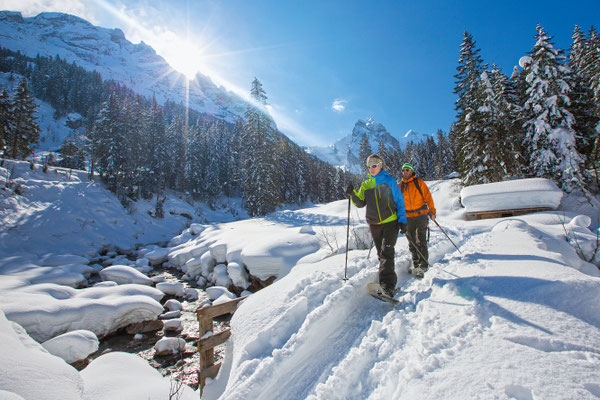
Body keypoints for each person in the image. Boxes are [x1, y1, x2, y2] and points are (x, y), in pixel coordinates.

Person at [346, 154, 407, 297]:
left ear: (380, 165)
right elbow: (360, 203)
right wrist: (352, 193)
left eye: (374, 165)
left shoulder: (390, 181)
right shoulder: (366, 185)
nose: (371, 169)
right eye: (369, 166)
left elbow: (400, 201)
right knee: (381, 254)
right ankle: (388, 281)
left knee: (387, 252)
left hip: (391, 222)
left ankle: (387, 286)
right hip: (374, 224)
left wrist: (403, 220)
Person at [399, 163, 436, 278]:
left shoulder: (419, 182)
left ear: (411, 171)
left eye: (407, 170)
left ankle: (423, 264)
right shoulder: (400, 186)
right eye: (403, 170)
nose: (405, 172)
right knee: (412, 242)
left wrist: (432, 211)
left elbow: (428, 197)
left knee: (421, 239)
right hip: (408, 218)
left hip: (421, 216)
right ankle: (416, 265)